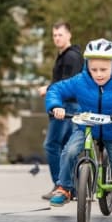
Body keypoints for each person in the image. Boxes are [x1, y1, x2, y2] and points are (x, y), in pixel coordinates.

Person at [45, 38, 112, 217]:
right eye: (94, 69)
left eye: (103, 70)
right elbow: (56, 90)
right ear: (87, 66)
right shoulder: (80, 81)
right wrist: (55, 106)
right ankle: (64, 188)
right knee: (69, 152)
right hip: (85, 127)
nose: (98, 74)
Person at [38, 21, 83, 200]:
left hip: (66, 106)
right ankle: (71, 188)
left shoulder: (71, 57)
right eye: (54, 35)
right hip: (67, 105)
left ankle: (60, 185)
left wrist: (47, 89)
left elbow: (67, 83)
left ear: (69, 35)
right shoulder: (66, 55)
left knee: (51, 145)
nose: (57, 38)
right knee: (66, 148)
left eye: (60, 35)